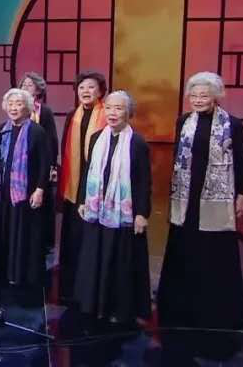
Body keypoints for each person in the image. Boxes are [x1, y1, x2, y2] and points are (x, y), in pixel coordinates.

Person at [157, 72, 243, 333]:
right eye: (194, 95)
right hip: (186, 195)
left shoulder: (233, 125)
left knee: (214, 249)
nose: (198, 100)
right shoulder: (183, 122)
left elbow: (242, 162)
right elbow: (178, 158)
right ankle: (179, 304)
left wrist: (241, 195)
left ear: (216, 96)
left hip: (217, 196)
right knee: (184, 246)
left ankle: (216, 307)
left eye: (204, 95)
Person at [74, 91, 151, 325]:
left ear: (128, 112)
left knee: (119, 261)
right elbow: (87, 171)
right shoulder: (97, 137)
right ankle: (92, 305)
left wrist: (141, 213)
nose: (112, 113)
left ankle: (118, 309)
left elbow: (143, 181)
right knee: (94, 256)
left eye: (118, 108)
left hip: (122, 214)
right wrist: (82, 200)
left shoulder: (137, 142)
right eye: (108, 108)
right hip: (96, 209)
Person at [0, 88, 53, 288]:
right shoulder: (2, 128)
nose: (14, 108)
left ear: (28, 107)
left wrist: (40, 189)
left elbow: (45, 163)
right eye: (10, 104)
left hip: (25, 193)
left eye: (18, 104)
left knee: (21, 233)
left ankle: (18, 273)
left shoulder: (36, 131)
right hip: (2, 190)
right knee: (1, 230)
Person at [57, 71, 108, 304]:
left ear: (100, 91)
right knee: (72, 234)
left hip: (96, 181)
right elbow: (64, 149)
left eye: (91, 87)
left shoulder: (107, 114)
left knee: (90, 233)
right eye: (81, 88)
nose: (86, 91)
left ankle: (90, 285)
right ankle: (70, 286)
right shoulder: (72, 115)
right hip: (73, 180)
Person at [20, 72, 59, 253]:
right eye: (23, 84)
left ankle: (44, 243)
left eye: (29, 85)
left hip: (40, 163)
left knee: (42, 201)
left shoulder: (45, 111)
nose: (25, 87)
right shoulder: (17, 109)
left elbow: (52, 140)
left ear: (38, 90)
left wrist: (51, 165)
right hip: (21, 165)